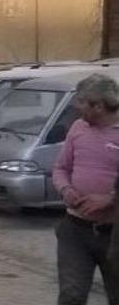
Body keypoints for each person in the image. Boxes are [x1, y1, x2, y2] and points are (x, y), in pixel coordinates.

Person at [53, 73, 119, 305]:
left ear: (99, 106)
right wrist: (66, 190)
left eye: (82, 103)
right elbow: (61, 168)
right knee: (71, 296)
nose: (77, 108)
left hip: (114, 234)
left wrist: (111, 199)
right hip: (75, 230)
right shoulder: (78, 128)